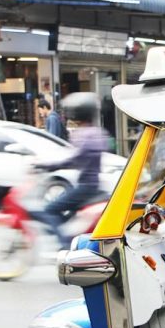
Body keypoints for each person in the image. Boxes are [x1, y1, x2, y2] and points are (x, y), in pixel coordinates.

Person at [30, 92, 107, 248]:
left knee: (50, 209)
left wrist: (46, 165)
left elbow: (73, 160)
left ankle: (64, 245)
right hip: (91, 185)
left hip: (86, 187)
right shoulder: (96, 132)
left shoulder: (86, 134)